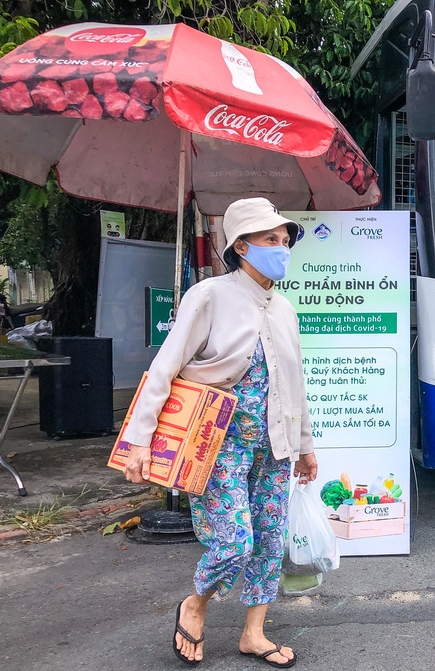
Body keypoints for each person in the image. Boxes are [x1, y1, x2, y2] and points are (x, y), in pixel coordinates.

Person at [121, 197, 317, 668]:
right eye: (270, 239)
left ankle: (253, 632)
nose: (282, 247)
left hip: (274, 444)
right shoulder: (209, 296)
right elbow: (164, 368)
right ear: (242, 247)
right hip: (216, 443)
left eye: (285, 239)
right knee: (235, 541)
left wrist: (305, 447)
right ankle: (196, 605)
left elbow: (293, 385)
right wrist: (139, 441)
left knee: (270, 539)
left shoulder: (285, 308)